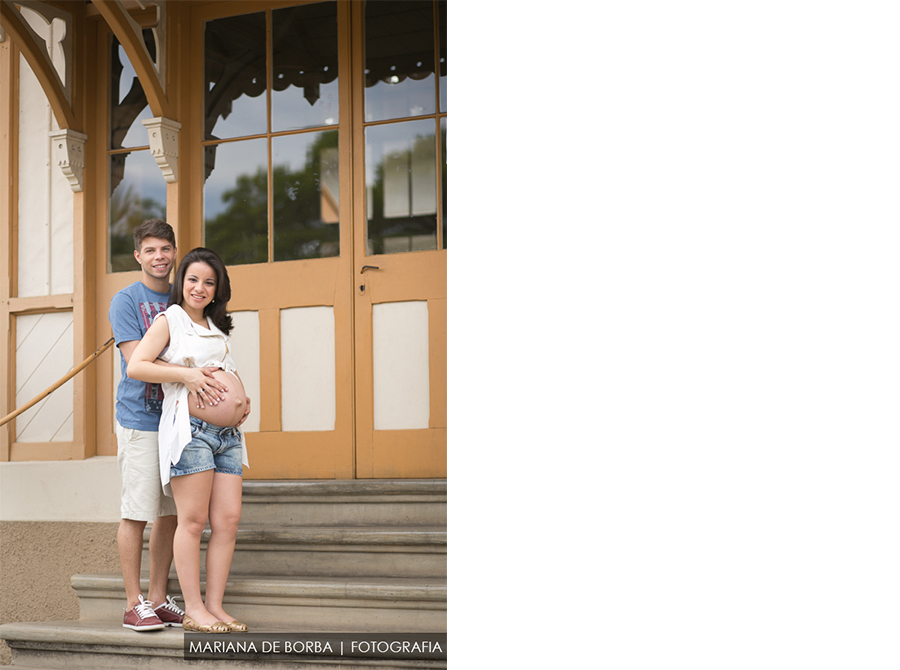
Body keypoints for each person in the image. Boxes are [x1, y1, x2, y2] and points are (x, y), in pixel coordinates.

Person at [109, 220, 227, 632]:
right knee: (137, 511)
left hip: (183, 422)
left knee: (170, 515)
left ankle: (158, 598)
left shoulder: (186, 297)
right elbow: (136, 361)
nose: (159, 257)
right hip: (141, 418)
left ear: (175, 253)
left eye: (166, 249)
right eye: (150, 250)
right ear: (138, 255)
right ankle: (132, 602)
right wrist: (190, 374)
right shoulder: (127, 301)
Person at [127, 247, 251, 634]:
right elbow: (137, 365)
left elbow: (224, 375)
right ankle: (194, 608)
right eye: (193, 279)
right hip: (192, 433)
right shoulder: (171, 319)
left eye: (209, 282)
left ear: (218, 289)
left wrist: (241, 400)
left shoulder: (218, 328)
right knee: (193, 521)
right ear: (181, 282)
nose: (200, 288)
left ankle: (215, 606)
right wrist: (188, 376)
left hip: (228, 436)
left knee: (227, 521)